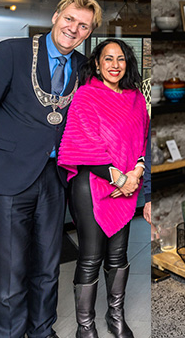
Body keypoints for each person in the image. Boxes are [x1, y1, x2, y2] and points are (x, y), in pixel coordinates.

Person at [0, 0, 102, 338]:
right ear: (56, 16)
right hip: (8, 177)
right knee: (10, 272)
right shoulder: (13, 52)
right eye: (70, 19)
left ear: (88, 32)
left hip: (55, 179)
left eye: (83, 26)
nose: (74, 29)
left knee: (48, 266)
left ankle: (41, 330)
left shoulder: (84, 67)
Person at [58, 39, 149, 338]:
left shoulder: (136, 98)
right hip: (91, 185)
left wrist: (135, 173)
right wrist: (121, 180)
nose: (114, 65)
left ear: (127, 63)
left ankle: (116, 317)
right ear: (97, 63)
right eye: (108, 59)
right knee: (90, 256)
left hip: (127, 184)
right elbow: (82, 146)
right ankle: (85, 327)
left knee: (118, 256)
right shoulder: (85, 96)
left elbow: (141, 142)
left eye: (120, 59)